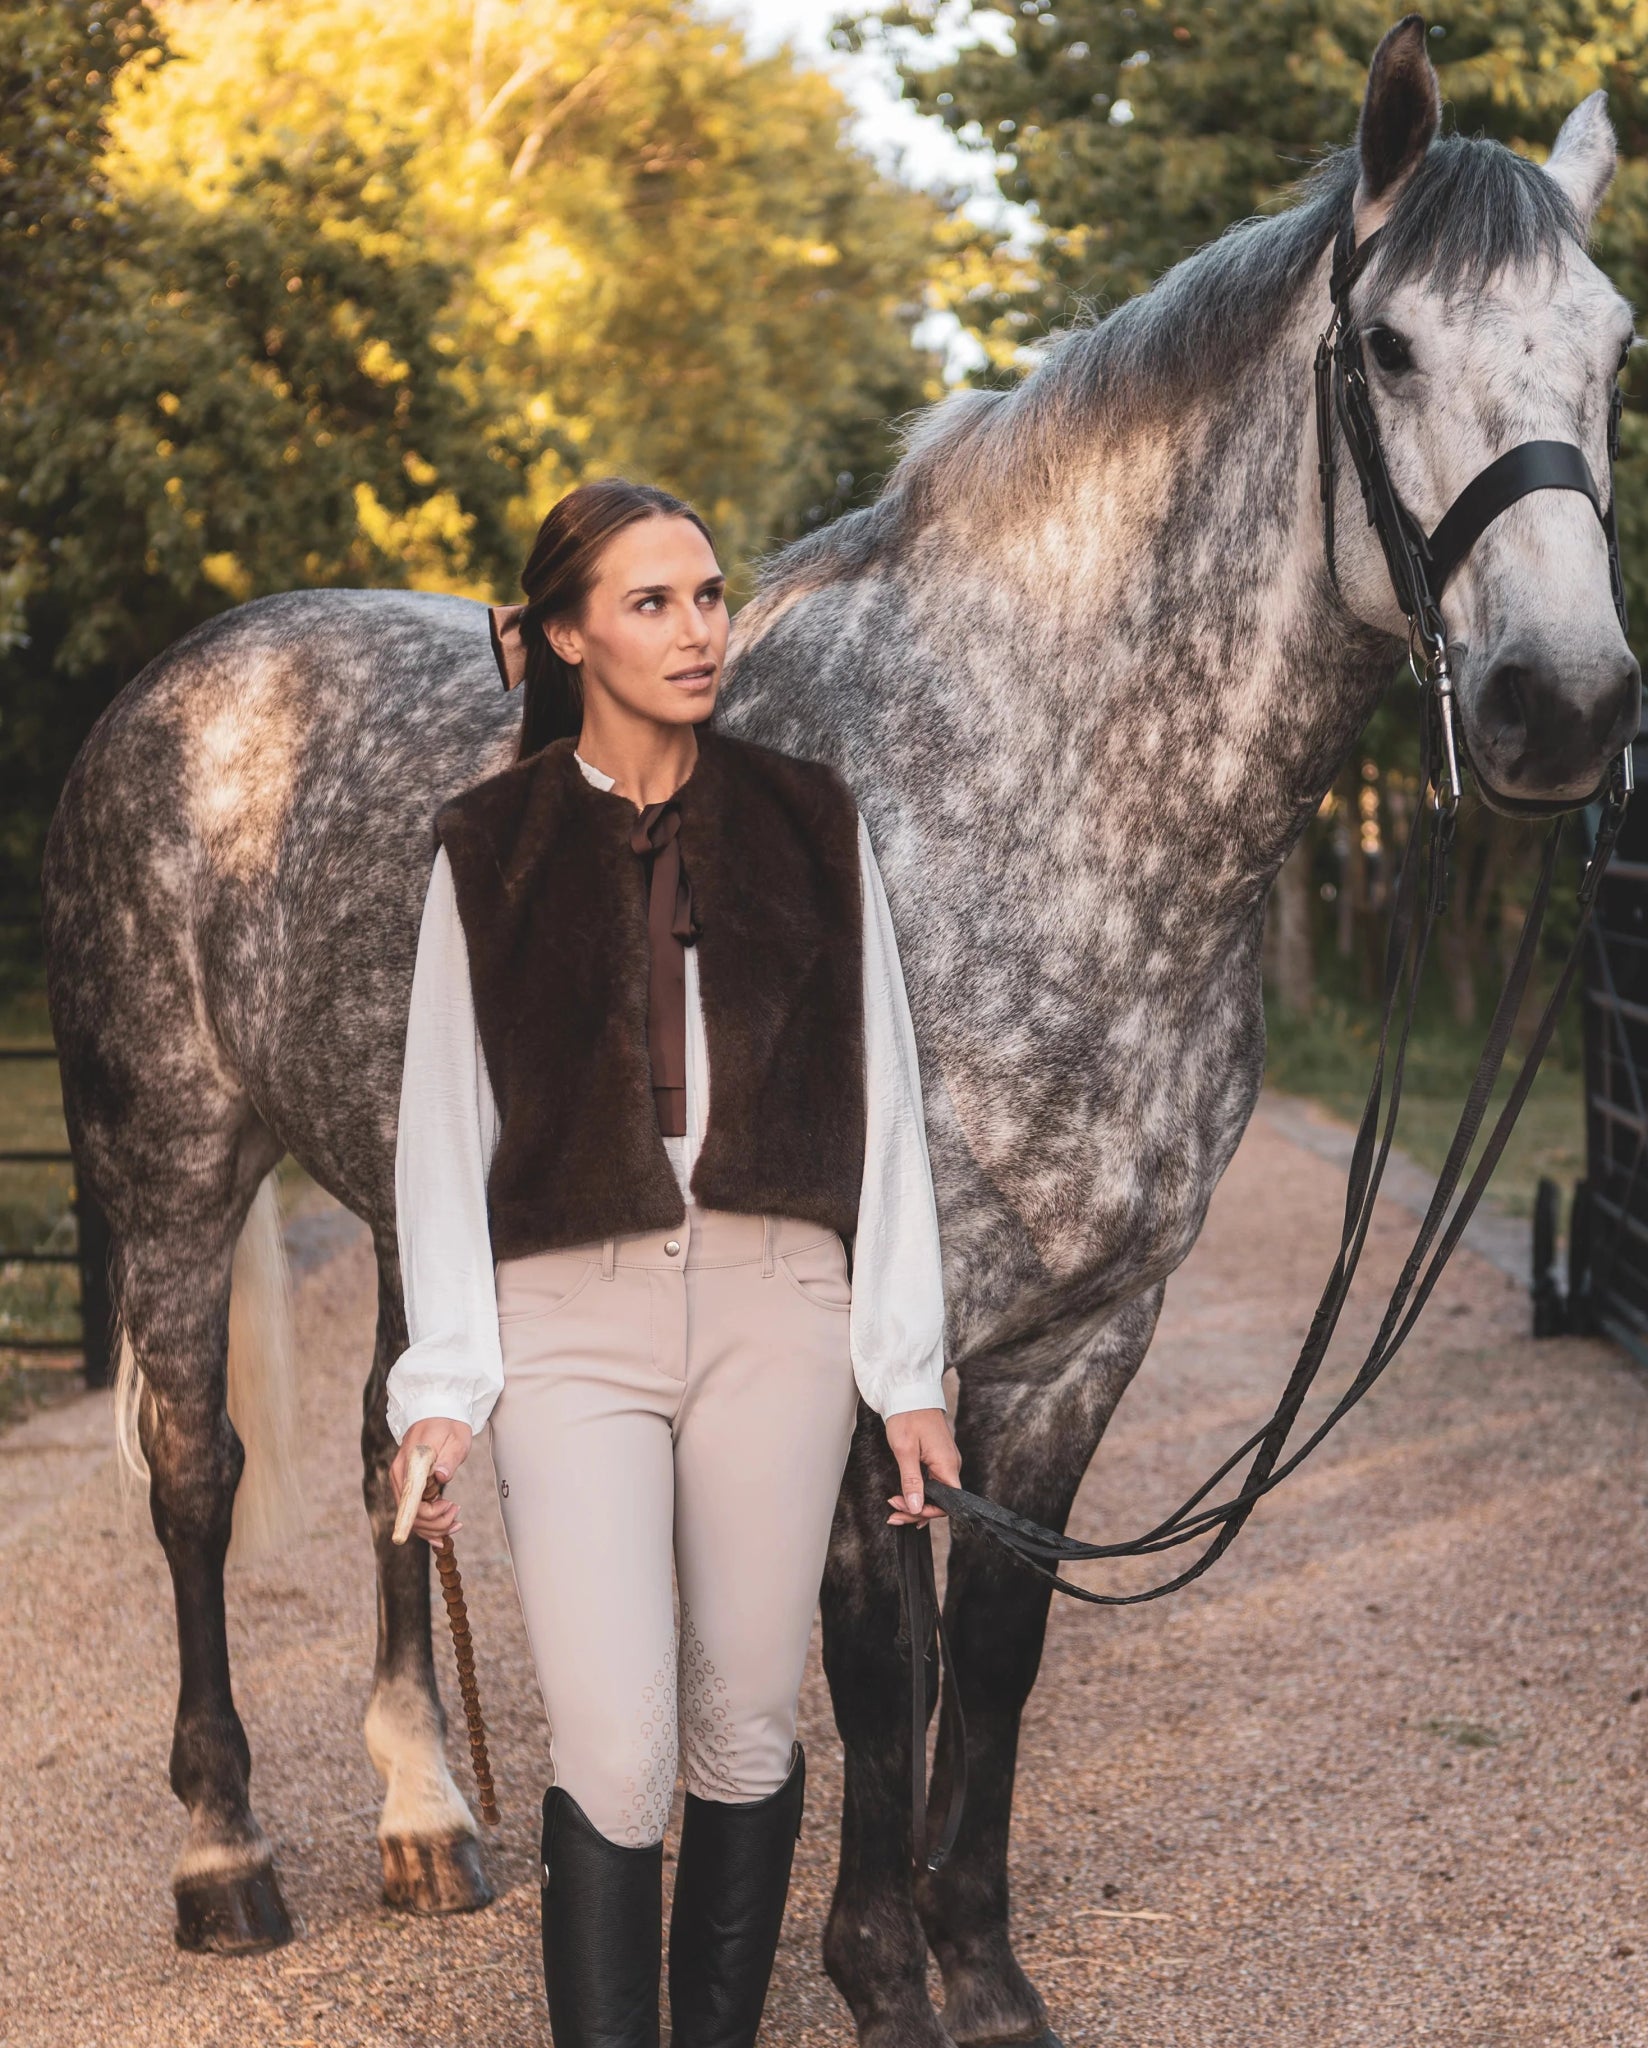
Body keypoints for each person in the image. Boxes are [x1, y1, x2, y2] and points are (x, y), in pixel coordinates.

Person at [386, 476, 960, 2048]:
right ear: (567, 632)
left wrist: (908, 1376)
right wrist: (441, 1391)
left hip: (782, 1309)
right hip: (571, 1322)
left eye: (709, 595)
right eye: (653, 602)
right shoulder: (485, 849)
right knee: (619, 1748)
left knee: (747, 1730)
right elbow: (442, 1127)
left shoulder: (808, 818)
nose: (699, 629)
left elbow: (891, 1102)